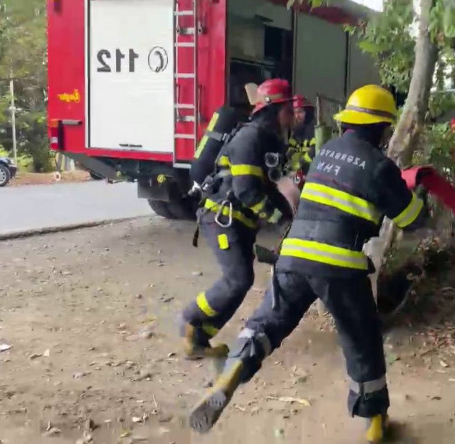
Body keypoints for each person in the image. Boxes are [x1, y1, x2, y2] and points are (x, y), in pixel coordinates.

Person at [188, 85, 429, 443]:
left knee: (267, 323)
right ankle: (375, 423)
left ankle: (231, 372)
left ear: (347, 122)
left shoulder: (325, 152)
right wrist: (418, 195)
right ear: (382, 128)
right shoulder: (381, 166)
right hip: (341, 266)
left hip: (293, 256)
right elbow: (412, 220)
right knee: (362, 340)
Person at [179, 79, 295, 360]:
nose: (293, 116)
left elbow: (268, 187)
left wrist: (293, 216)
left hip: (238, 221)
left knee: (241, 280)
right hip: (221, 218)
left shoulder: (266, 140)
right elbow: (247, 191)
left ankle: (199, 339)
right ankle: (189, 320)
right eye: (289, 109)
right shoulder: (250, 139)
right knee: (238, 279)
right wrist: (279, 219)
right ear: (275, 110)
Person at [286, 94, 317, 175]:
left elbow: (314, 151)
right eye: (294, 113)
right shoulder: (296, 132)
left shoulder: (314, 130)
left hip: (312, 173)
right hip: (298, 174)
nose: (297, 116)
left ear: (308, 113)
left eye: (300, 112)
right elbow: (291, 149)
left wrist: (300, 162)